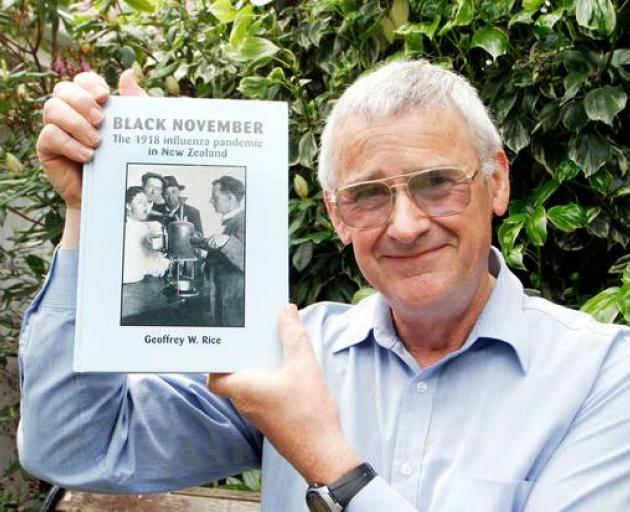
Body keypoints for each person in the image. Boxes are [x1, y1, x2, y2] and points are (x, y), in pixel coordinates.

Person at [20, 61, 630, 511]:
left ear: (496, 183)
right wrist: (92, 214)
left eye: (438, 183)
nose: (407, 224)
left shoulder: (602, 376)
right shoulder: (292, 354)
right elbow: (74, 446)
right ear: (337, 215)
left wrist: (323, 458)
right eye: (368, 195)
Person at [192, 175, 245, 326]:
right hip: (221, 296)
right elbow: (218, 245)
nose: (210, 201)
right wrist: (198, 241)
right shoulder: (230, 220)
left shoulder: (244, 221)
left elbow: (247, 260)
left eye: (215, 197)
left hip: (233, 301)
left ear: (230, 198)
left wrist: (227, 241)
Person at [122, 186, 170, 284]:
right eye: (140, 202)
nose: (145, 206)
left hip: (151, 283)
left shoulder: (155, 226)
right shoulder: (123, 230)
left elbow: (161, 262)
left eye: (147, 202)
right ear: (128, 206)